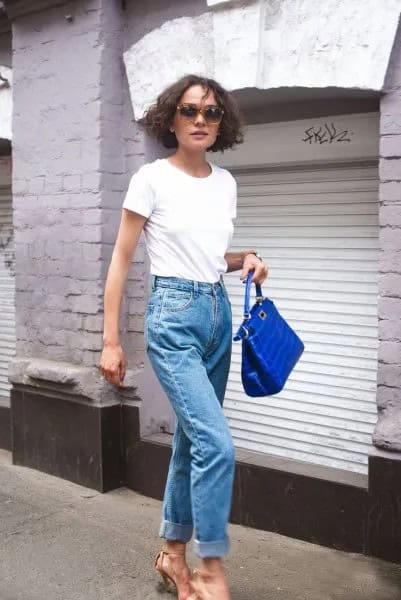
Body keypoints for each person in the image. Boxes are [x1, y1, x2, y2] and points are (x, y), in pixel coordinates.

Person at [99, 74, 268, 600]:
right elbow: (122, 258)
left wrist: (248, 258)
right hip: (173, 317)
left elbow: (211, 257)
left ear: (223, 123)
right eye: (190, 110)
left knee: (194, 440)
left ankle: (172, 555)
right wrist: (111, 340)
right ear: (171, 118)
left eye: (212, 113)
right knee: (217, 443)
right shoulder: (150, 178)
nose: (201, 120)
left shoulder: (226, 183)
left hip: (216, 311)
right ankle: (212, 567)